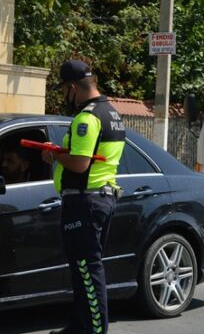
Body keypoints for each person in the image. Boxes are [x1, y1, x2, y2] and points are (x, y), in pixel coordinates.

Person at [41, 59, 125, 334]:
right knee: (84, 268)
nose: (64, 96)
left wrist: (55, 154)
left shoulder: (87, 118)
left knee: (88, 270)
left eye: (64, 90)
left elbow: (80, 163)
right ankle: (79, 326)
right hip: (99, 198)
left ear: (73, 87)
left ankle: (94, 330)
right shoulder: (111, 113)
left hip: (84, 201)